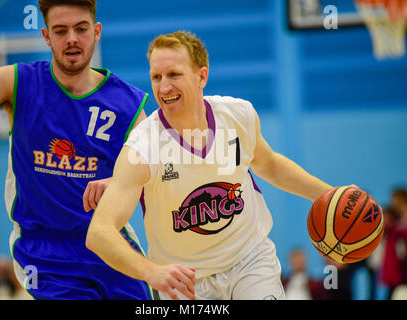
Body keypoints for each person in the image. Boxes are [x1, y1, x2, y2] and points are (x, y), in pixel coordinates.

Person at [86, 31, 333, 300]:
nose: (164, 87)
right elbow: (99, 233)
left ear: (202, 76)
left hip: (249, 261)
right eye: (156, 77)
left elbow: (269, 164)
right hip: (184, 280)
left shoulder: (237, 115)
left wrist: (330, 195)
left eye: (174, 75)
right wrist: (152, 273)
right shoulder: (142, 147)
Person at [0, 0, 151, 299]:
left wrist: (120, 181)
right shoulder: (17, 82)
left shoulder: (127, 104)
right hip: (44, 253)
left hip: (109, 243)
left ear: (96, 32)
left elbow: (155, 169)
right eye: (61, 31)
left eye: (81, 29)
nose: (72, 38)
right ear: (46, 36)